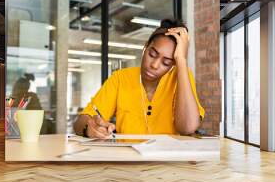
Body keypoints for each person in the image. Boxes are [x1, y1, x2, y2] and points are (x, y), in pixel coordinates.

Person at [74, 19, 205, 138]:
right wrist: (89, 128)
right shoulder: (121, 78)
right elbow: (80, 123)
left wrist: (181, 60)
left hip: (168, 161)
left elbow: (188, 128)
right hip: (128, 160)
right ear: (145, 47)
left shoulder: (181, 77)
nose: (154, 65)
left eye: (166, 63)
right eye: (152, 54)